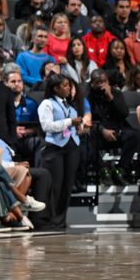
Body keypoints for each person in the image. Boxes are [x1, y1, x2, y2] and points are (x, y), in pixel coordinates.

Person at [38, 74, 91, 229]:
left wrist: (82, 128)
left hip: (72, 147)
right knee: (56, 185)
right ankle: (50, 219)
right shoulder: (47, 104)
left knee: (68, 185)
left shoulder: (70, 106)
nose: (69, 88)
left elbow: (74, 127)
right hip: (54, 148)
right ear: (56, 88)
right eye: (66, 85)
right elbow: (47, 126)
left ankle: (61, 220)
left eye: (69, 85)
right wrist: (69, 122)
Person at [88, 69, 140, 186]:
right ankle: (103, 170)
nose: (101, 85)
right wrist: (102, 130)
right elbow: (87, 119)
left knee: (135, 135)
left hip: (117, 130)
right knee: (87, 138)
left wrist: (110, 97)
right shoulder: (88, 97)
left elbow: (124, 113)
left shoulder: (116, 93)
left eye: (104, 82)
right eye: (98, 82)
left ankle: (120, 170)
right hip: (98, 131)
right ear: (92, 84)